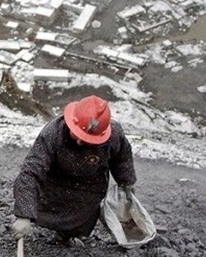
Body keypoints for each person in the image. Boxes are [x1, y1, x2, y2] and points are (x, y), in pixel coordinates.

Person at [11, 95, 136, 244]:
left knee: (83, 216)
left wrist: (126, 182)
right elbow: (31, 172)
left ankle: (68, 237)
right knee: (46, 208)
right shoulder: (53, 133)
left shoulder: (114, 135)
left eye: (87, 139)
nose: (79, 141)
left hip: (90, 184)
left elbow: (122, 158)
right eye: (77, 134)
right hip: (55, 179)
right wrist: (23, 214)